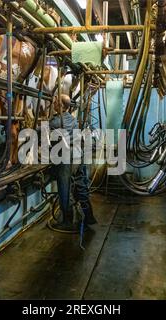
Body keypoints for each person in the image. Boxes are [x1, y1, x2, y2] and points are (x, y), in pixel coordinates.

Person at [47, 94, 96, 232]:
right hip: (78, 156)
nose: (54, 103)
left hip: (66, 158)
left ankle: (67, 221)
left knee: (65, 189)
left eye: (56, 101)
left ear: (61, 105)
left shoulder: (56, 122)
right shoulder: (73, 120)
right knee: (81, 186)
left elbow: (40, 132)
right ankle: (88, 216)